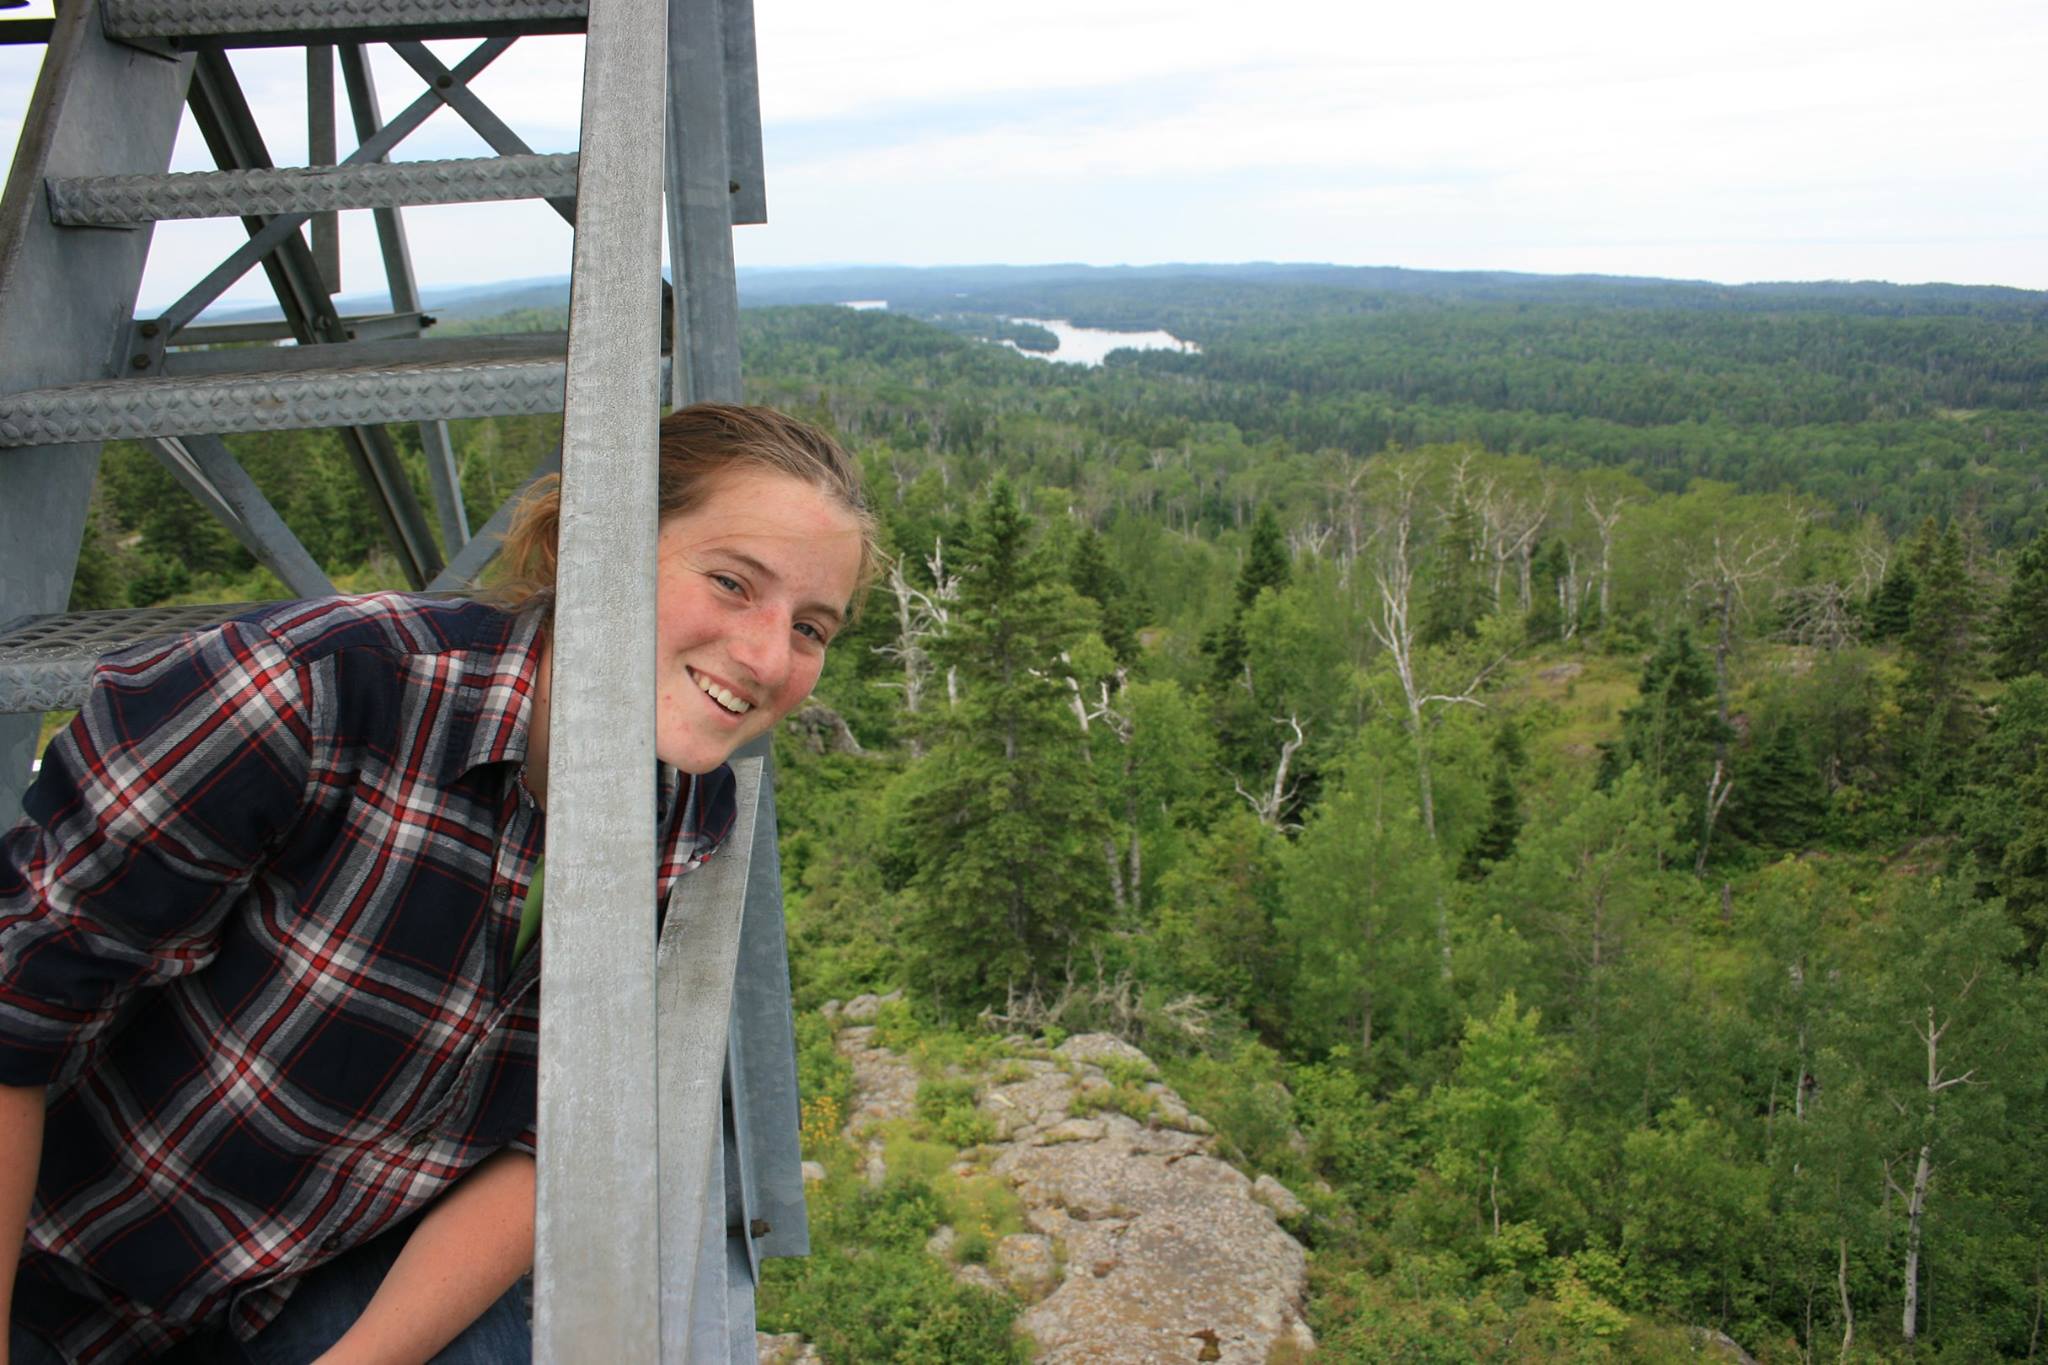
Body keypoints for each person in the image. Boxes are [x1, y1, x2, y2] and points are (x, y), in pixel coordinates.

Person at [0, 404, 877, 1364]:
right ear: (595, 543)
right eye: (729, 581)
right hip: (52, 1266)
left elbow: (552, 1138)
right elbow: (16, 1009)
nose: (766, 655)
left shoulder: (682, 814)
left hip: (299, 1285)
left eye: (810, 626)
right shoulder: (314, 694)